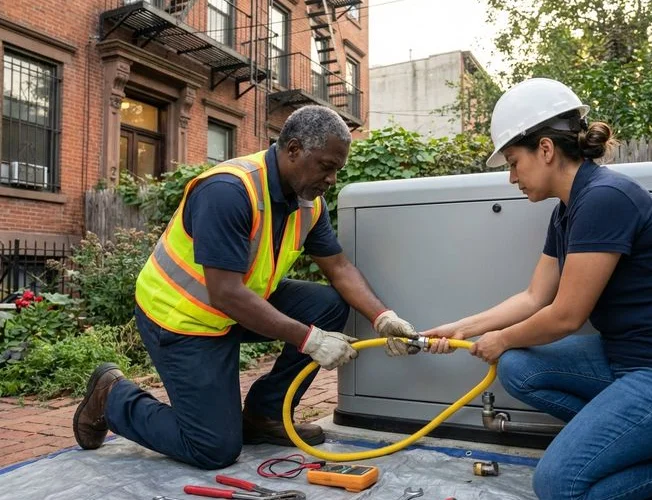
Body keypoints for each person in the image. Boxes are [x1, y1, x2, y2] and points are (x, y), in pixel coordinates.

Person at [425, 78, 652, 500]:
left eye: (514, 161)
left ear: (547, 150)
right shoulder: (567, 212)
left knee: (560, 486)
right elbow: (535, 297)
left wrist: (498, 339)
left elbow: (565, 316)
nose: (512, 176)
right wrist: (460, 328)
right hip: (631, 354)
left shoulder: (604, 198)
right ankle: (632, 441)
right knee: (518, 367)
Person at [72, 105, 418, 470]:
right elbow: (225, 293)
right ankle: (112, 397)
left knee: (328, 304)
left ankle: (263, 415)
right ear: (295, 149)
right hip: (181, 319)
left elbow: (340, 268)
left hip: (235, 307)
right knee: (213, 448)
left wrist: (383, 318)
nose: (332, 179)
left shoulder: (307, 202)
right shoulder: (229, 190)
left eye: (337, 169)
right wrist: (310, 340)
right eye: (327, 166)